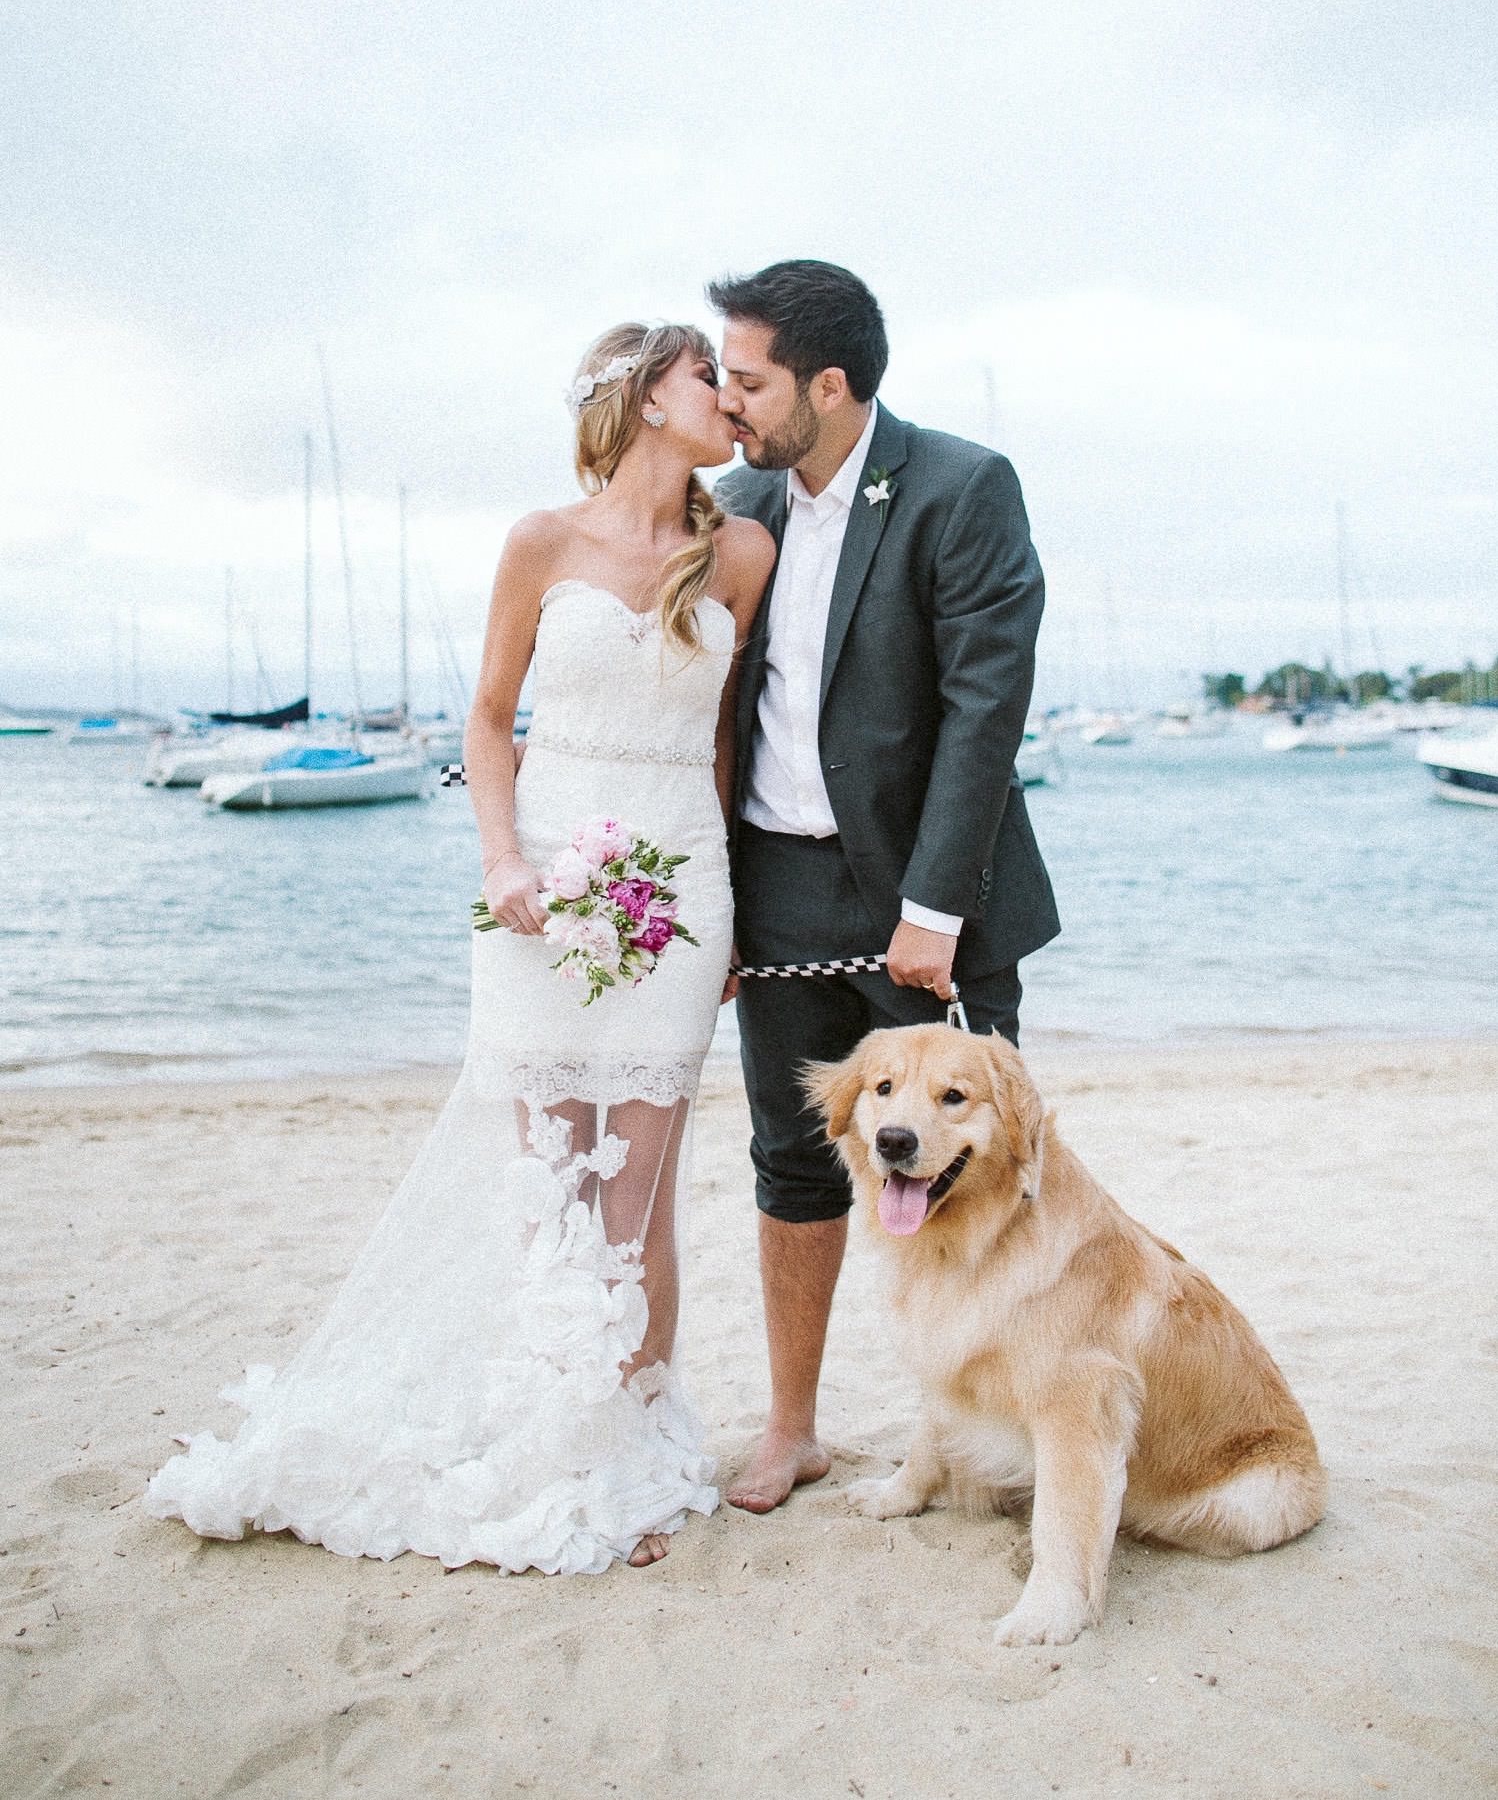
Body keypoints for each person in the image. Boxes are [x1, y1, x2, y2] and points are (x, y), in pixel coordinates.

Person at [145, 322, 775, 1573]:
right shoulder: (541, 543)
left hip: (681, 885)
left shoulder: (742, 547)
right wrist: (504, 860)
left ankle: (628, 1447)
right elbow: (489, 722)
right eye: (709, 374)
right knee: (554, 1186)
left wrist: (736, 906)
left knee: (641, 1185)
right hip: (544, 878)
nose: (730, 396)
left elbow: (722, 747)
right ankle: (549, 1429)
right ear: (650, 396)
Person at [710, 260, 1060, 1515]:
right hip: (777, 883)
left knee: (975, 1166)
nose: (727, 398)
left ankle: (977, 1421)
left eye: (747, 378)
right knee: (792, 1164)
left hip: (931, 896)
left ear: (831, 382)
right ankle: (793, 1427)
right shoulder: (736, 504)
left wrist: (935, 906)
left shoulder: (962, 487)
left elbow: (986, 706)